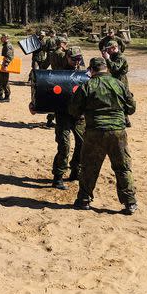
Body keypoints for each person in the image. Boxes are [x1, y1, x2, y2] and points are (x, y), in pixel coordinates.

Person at [68, 57, 137, 214]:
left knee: (89, 167)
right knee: (123, 167)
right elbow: (131, 108)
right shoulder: (119, 84)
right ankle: (130, 202)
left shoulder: (87, 85)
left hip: (95, 131)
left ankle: (84, 200)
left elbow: (74, 110)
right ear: (107, 68)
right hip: (117, 132)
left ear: (91, 70)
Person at [49, 45, 85, 190]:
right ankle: (58, 176)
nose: (77, 62)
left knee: (82, 145)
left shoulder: (83, 73)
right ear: (68, 57)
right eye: (74, 59)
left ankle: (76, 171)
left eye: (79, 59)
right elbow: (49, 92)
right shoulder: (59, 72)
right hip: (63, 115)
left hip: (79, 116)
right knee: (64, 146)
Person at [103, 40, 131, 127]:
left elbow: (115, 68)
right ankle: (124, 120)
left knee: (121, 100)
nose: (108, 51)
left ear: (114, 48)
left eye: (109, 49)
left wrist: (107, 58)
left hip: (120, 81)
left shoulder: (120, 57)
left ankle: (125, 120)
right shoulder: (113, 56)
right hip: (114, 79)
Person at [0, 33, 14, 102]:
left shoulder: (8, 46)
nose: (0, 39)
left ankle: (7, 96)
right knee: (0, 80)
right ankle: (0, 95)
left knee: (5, 81)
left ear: (5, 38)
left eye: (2, 37)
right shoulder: (5, 45)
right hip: (3, 65)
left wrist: (5, 65)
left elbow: (9, 57)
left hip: (5, 66)